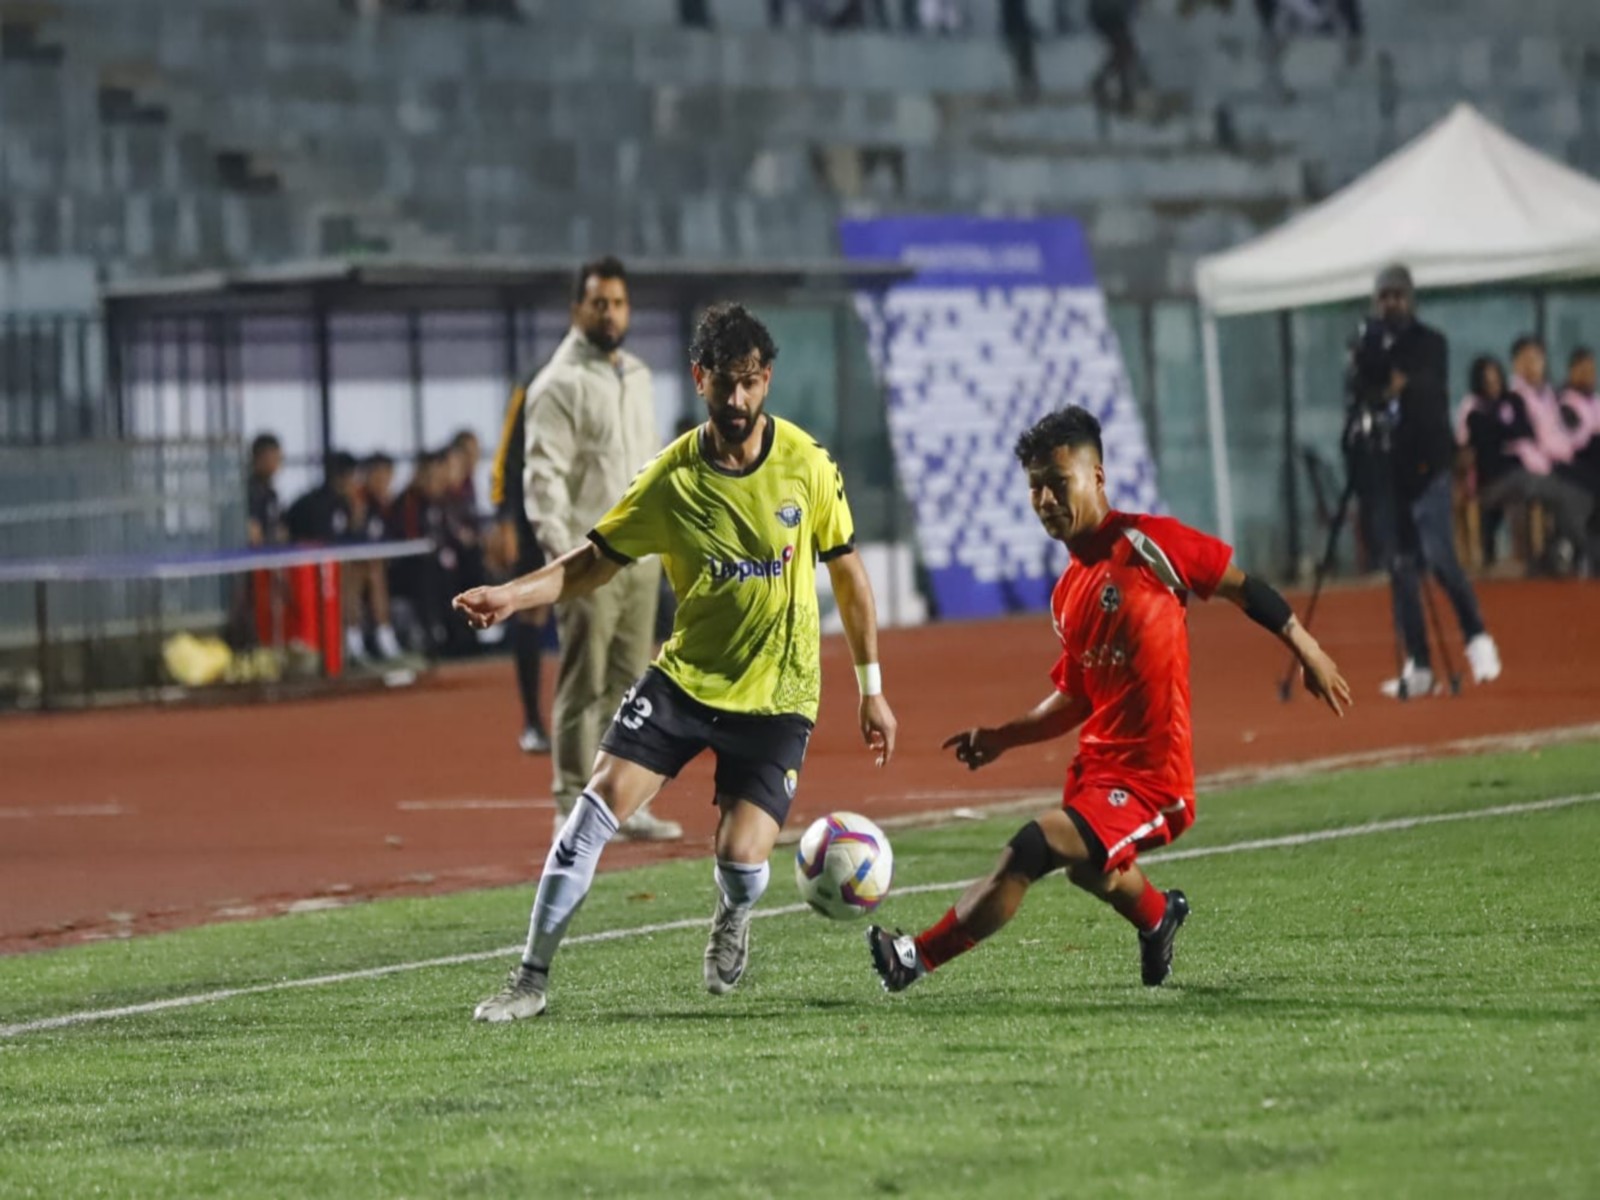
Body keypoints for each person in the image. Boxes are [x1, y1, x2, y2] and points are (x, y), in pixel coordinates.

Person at [456, 302, 898, 1020]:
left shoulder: (806, 466)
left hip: (779, 692)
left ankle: (733, 913)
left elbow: (847, 572)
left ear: (768, 380)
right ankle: (530, 980)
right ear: (700, 379)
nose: (737, 400)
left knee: (742, 858)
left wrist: (870, 688)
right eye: (724, 383)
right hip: (687, 680)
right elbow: (594, 560)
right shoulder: (672, 479)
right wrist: (513, 596)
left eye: (751, 382)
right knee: (591, 810)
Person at [867, 405, 1350, 994]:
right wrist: (1001, 737)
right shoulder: (1068, 591)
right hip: (1097, 770)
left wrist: (1306, 648)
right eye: (1034, 487)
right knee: (1093, 873)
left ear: (1096, 477)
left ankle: (913, 957)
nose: (1045, 499)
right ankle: (1158, 917)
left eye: (1057, 482)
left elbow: (1244, 587)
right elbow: (1075, 697)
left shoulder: (1151, 545)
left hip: (1153, 779)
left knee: (1033, 847)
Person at [523, 257, 680, 842]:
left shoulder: (636, 375)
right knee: (582, 684)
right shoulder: (556, 385)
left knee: (631, 686)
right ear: (577, 310)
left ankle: (623, 804)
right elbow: (543, 481)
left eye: (617, 302)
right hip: (588, 561)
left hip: (640, 560)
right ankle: (570, 804)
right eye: (598, 302)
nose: (609, 312)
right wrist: (565, 562)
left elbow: (652, 465)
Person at [1355, 266, 1500, 698]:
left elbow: (1417, 387)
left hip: (1430, 466)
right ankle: (1418, 663)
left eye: (1398, 295)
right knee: (1401, 570)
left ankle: (1477, 637)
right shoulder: (1369, 344)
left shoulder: (1430, 342)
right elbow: (1365, 387)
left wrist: (1389, 384)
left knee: (1439, 558)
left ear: (1411, 298)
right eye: (1384, 297)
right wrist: (1381, 379)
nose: (1391, 303)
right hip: (1392, 472)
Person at [489, 380, 551, 754]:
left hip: (590, 513)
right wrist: (505, 519)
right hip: (534, 518)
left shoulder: (616, 381)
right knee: (532, 611)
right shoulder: (532, 386)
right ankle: (532, 721)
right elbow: (506, 458)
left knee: (598, 619)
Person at [1506, 335, 1596, 574]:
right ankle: (1582, 550)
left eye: (1537, 359)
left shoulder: (1549, 395)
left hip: (1563, 458)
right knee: (1576, 490)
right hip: (1537, 467)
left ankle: (1574, 548)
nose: (1533, 365)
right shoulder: (1514, 399)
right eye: (1527, 359)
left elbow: (1566, 433)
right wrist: (1549, 463)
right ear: (1516, 364)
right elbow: (1522, 442)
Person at [246, 433, 286, 547]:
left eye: (278, 458)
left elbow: (281, 531)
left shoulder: (271, 494)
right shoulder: (248, 492)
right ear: (258, 458)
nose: (277, 463)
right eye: (273, 458)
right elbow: (253, 536)